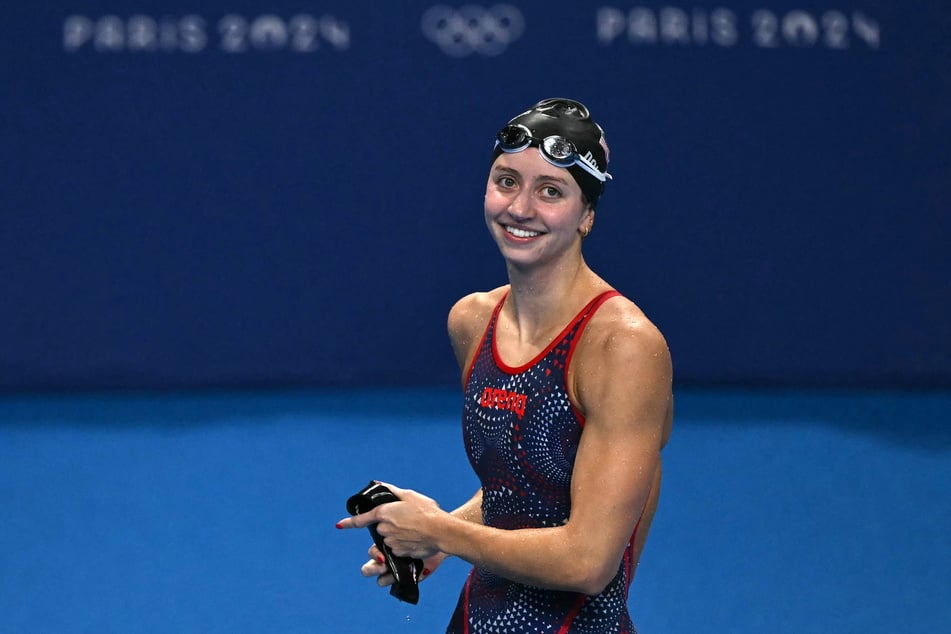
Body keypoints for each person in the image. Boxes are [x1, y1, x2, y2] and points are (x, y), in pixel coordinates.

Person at [336, 97, 673, 633]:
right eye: (507, 181)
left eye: (551, 191)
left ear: (587, 215)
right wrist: (441, 528)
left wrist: (444, 534)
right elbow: (524, 489)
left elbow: (588, 561)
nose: (520, 208)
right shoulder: (472, 321)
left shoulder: (622, 347)